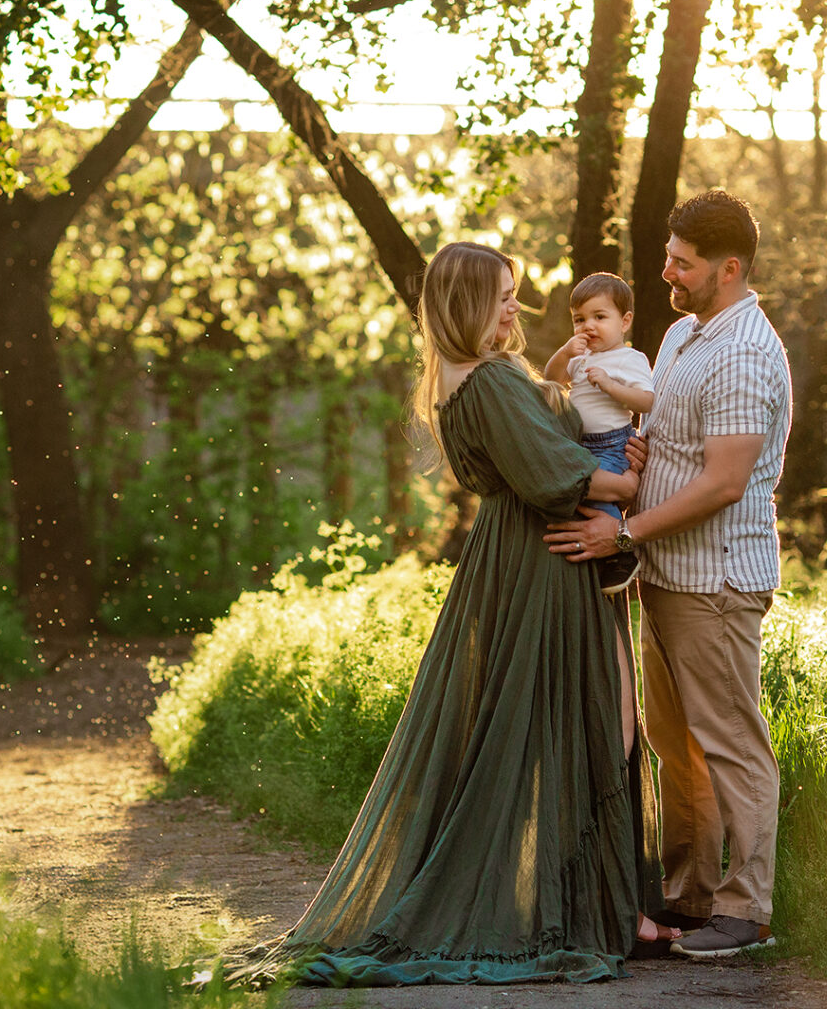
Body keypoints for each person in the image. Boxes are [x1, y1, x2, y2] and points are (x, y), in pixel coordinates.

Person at [232, 241, 673, 989]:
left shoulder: (455, 378)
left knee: (564, 723)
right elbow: (552, 474)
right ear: (468, 303)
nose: (515, 307)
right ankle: (600, 913)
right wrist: (627, 484)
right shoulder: (493, 380)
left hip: (512, 557)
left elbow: (536, 449)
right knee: (600, 719)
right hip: (547, 557)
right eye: (502, 295)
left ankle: (608, 907)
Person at [542, 190, 792, 960]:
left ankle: (746, 910)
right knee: (675, 744)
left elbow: (723, 482)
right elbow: (670, 435)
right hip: (667, 573)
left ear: (729, 268)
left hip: (716, 580)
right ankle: (690, 895)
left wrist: (624, 529)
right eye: (668, 257)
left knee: (730, 741)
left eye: (682, 263)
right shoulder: (686, 334)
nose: (666, 273)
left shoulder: (745, 353)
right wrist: (641, 452)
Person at [543, 273, 655, 596]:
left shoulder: (630, 359)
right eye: (579, 319)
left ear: (625, 321)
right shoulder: (580, 359)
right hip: (580, 444)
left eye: (599, 317)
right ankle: (591, 557)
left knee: (597, 493)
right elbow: (552, 380)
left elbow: (646, 401)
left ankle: (621, 556)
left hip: (612, 443)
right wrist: (565, 352)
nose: (588, 326)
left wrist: (609, 385)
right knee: (578, 494)